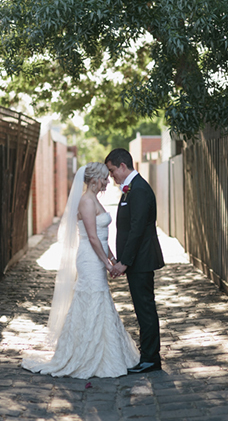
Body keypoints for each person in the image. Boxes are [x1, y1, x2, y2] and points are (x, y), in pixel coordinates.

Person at [22, 162, 139, 378]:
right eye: (104, 178)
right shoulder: (86, 201)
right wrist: (106, 263)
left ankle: (105, 350)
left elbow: (102, 239)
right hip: (90, 259)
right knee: (93, 297)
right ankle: (85, 353)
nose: (107, 181)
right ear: (95, 180)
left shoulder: (93, 200)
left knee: (99, 298)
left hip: (98, 256)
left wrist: (113, 257)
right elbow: (93, 238)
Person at [105, 148, 165, 374]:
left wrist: (124, 262)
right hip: (137, 261)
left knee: (145, 310)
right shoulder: (131, 189)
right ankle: (148, 355)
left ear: (122, 166)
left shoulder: (138, 189)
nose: (112, 177)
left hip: (141, 261)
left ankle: (150, 359)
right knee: (142, 309)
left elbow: (137, 230)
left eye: (112, 171)